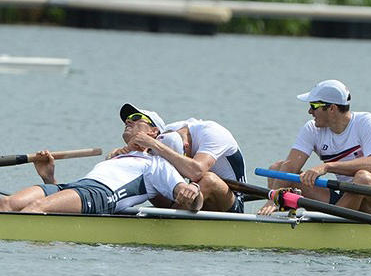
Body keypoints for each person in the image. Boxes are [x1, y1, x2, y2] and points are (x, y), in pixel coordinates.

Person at [0, 104, 203, 214]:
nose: (128, 121)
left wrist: (194, 191)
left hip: (99, 195)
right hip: (75, 187)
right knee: (6, 204)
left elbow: (194, 203)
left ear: (153, 131)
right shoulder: (115, 157)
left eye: (135, 118)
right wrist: (49, 178)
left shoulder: (158, 165)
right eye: (126, 119)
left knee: (35, 209)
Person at [258, 79, 371, 217]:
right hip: (345, 199)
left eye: (314, 105)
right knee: (277, 169)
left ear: (332, 108)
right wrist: (274, 197)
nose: (309, 111)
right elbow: (290, 166)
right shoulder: (312, 129)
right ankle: (280, 217)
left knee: (363, 178)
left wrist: (327, 167)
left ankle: (329, 227)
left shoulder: (368, 123)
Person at [110, 116, 246, 213]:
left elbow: (196, 172)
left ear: (186, 147)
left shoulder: (214, 134)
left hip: (229, 201)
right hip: (191, 197)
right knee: (150, 174)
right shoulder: (168, 132)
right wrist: (122, 154)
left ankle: (168, 224)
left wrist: (152, 144)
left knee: (208, 179)